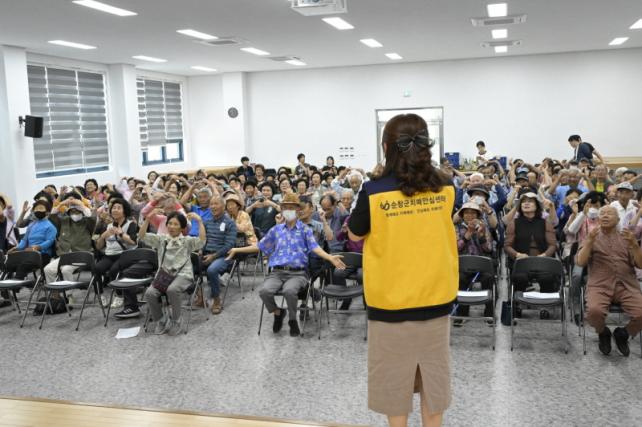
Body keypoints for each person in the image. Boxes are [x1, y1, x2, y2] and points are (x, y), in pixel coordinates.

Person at [347, 114, 457, 427]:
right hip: (436, 296)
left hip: (390, 302)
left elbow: (354, 234)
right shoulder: (446, 186)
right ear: (425, 145)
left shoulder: (374, 190)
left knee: (394, 384)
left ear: (386, 147)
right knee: (434, 381)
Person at [227, 193, 345, 337]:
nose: (288, 210)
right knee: (264, 292)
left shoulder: (305, 230)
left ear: (297, 210)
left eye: (292, 207)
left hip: (298, 273)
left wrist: (330, 257)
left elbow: (315, 247)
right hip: (277, 272)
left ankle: (292, 320)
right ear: (282, 210)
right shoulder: (276, 230)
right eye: (285, 207)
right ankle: (278, 312)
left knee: (290, 291)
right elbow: (260, 246)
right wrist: (237, 249)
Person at [576, 206, 642, 357]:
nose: (605, 216)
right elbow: (580, 262)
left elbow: (640, 264)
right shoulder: (591, 236)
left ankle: (623, 334)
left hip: (626, 285)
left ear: (618, 219)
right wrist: (589, 242)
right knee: (594, 312)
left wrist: (635, 245)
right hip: (599, 285)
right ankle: (603, 332)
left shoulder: (627, 237)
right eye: (602, 214)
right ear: (598, 219)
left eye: (609, 213)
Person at [141, 212, 206, 335]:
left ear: (182, 228)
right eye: (170, 223)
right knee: (150, 293)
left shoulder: (186, 241)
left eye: (176, 224)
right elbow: (142, 236)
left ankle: (177, 320)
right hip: (165, 275)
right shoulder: (161, 239)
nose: (171, 226)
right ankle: (161, 320)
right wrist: (147, 220)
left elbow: (202, 241)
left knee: (172, 289)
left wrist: (199, 221)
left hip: (183, 275)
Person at [93, 199, 140, 316]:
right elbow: (98, 246)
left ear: (124, 211)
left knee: (114, 270)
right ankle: (100, 295)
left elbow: (133, 242)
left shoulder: (131, 224)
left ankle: (119, 295)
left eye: (119, 208)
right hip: (109, 254)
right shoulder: (108, 225)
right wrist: (103, 237)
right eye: (113, 208)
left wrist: (121, 233)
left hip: (125, 255)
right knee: (96, 268)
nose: (115, 210)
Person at [453, 202, 493, 325]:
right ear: (462, 215)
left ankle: (489, 313)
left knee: (488, 278)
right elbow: (456, 248)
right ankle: (462, 313)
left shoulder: (483, 227)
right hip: (463, 266)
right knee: (461, 279)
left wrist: (481, 236)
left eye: (473, 213)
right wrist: (467, 235)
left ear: (477, 215)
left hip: (481, 266)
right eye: (466, 213)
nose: (469, 215)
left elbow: (489, 249)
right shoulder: (456, 228)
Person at [44, 200, 96, 283]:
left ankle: (70, 291)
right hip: (64, 255)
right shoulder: (64, 221)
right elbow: (52, 216)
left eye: (77, 211)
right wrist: (61, 204)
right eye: (72, 212)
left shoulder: (87, 222)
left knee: (66, 270)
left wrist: (81, 205)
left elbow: (92, 217)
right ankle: (55, 289)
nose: (74, 214)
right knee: (47, 269)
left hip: (82, 256)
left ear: (82, 212)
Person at [202, 196, 237, 314]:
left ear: (223, 206)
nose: (213, 206)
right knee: (188, 264)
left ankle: (217, 299)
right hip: (207, 254)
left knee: (212, 270)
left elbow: (229, 245)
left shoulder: (230, 223)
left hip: (224, 256)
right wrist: (201, 250)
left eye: (216, 204)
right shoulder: (207, 222)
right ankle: (199, 296)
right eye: (211, 204)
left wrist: (213, 256)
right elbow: (203, 240)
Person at [9, 200, 57, 279]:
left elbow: (50, 241)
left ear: (47, 212)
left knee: (23, 266)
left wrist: (38, 247)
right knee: (10, 264)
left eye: (40, 208)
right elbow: (25, 240)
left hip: (42, 255)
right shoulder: (31, 225)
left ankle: (17, 285)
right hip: (30, 253)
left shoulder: (51, 226)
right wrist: (17, 248)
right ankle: (7, 285)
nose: (38, 210)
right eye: (36, 209)